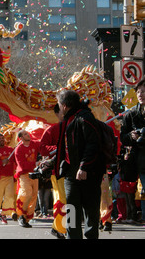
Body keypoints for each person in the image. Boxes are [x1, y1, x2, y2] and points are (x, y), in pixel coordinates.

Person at [55, 90, 107, 239]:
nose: (59, 108)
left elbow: (93, 144)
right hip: (71, 175)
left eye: (59, 105)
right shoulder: (70, 119)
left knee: (90, 212)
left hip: (89, 174)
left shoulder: (84, 118)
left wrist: (84, 166)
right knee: (71, 211)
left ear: (65, 106)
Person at [38, 104, 66, 239]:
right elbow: (43, 148)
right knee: (62, 199)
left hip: (77, 171)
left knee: (71, 201)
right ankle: (60, 228)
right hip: (59, 171)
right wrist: (60, 148)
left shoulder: (78, 127)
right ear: (57, 114)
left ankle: (61, 227)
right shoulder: (52, 130)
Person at [120, 78, 145, 218]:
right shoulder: (130, 114)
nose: (141, 95)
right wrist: (131, 136)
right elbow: (123, 137)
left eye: (144, 92)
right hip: (135, 159)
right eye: (139, 92)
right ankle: (132, 213)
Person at [14, 130, 40, 228]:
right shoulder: (18, 149)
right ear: (20, 138)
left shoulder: (34, 144)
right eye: (25, 134)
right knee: (27, 194)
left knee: (34, 196)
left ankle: (26, 218)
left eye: (27, 133)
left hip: (34, 174)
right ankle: (20, 214)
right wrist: (35, 164)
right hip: (24, 174)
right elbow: (22, 165)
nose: (27, 134)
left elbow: (44, 144)